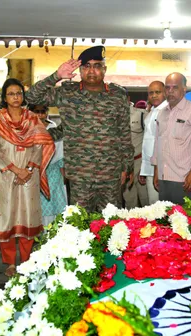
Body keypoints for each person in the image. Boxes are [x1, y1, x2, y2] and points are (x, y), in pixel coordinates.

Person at [26, 46, 134, 212]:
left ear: (104, 69)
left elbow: (124, 132)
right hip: (80, 175)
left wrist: (127, 167)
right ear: (81, 70)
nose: (92, 71)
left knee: (110, 222)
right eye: (87, 66)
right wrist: (56, 76)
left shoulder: (117, 94)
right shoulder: (68, 92)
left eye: (97, 66)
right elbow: (32, 96)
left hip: (110, 173)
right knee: (81, 224)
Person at [0, 79, 54, 277]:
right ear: (5, 97)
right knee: (7, 218)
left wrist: (28, 168)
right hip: (5, 175)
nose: (16, 97)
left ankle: (27, 261)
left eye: (19, 93)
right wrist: (14, 169)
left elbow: (40, 144)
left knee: (27, 217)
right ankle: (10, 263)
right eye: (11, 94)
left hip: (30, 174)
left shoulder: (32, 119)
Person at [152, 73, 191, 204]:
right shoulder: (161, 112)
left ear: (184, 88)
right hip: (163, 176)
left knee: (184, 221)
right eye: (167, 87)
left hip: (183, 178)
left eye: (175, 87)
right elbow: (158, 143)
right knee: (165, 220)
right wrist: (156, 171)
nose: (170, 91)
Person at [29, 104, 68, 226]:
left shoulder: (54, 128)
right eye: (36, 111)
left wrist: (64, 178)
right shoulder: (27, 129)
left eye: (42, 111)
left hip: (53, 173)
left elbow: (61, 155)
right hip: (33, 172)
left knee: (56, 207)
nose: (40, 115)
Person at [139, 81, 167, 204]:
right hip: (149, 167)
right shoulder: (152, 112)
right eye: (151, 93)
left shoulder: (167, 111)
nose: (154, 96)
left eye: (158, 92)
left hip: (161, 169)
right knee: (153, 205)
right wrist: (143, 169)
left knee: (162, 208)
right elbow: (147, 142)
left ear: (165, 92)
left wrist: (157, 170)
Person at [123, 98, 149, 208]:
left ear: (128, 98)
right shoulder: (111, 116)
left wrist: (145, 166)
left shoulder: (142, 115)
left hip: (139, 162)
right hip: (123, 165)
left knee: (146, 199)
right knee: (129, 200)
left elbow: (151, 139)